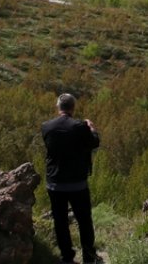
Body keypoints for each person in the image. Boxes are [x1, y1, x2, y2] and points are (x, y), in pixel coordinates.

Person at [42, 93, 101, 264]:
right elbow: (94, 143)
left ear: (58, 107)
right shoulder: (80, 127)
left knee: (60, 222)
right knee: (84, 221)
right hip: (77, 183)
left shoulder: (46, 127)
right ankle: (89, 257)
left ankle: (67, 257)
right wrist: (91, 128)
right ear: (73, 108)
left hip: (54, 183)